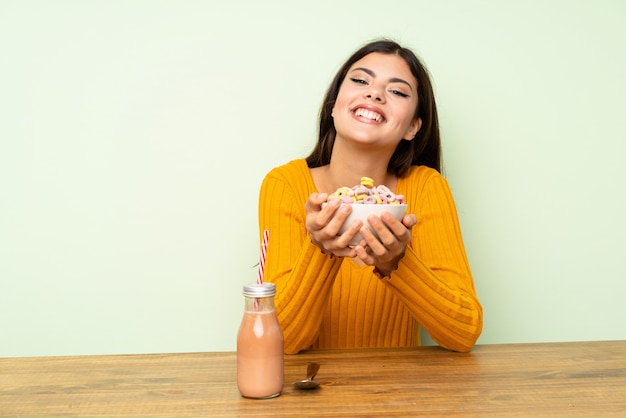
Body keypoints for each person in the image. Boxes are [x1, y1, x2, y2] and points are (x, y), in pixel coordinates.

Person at [258, 39, 482, 354]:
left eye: (398, 92)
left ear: (413, 127)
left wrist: (396, 264)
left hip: (401, 396)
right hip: (307, 396)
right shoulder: (284, 184)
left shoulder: (426, 187)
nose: (375, 93)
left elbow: (464, 333)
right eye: (361, 80)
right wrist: (321, 251)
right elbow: (284, 342)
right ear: (333, 105)